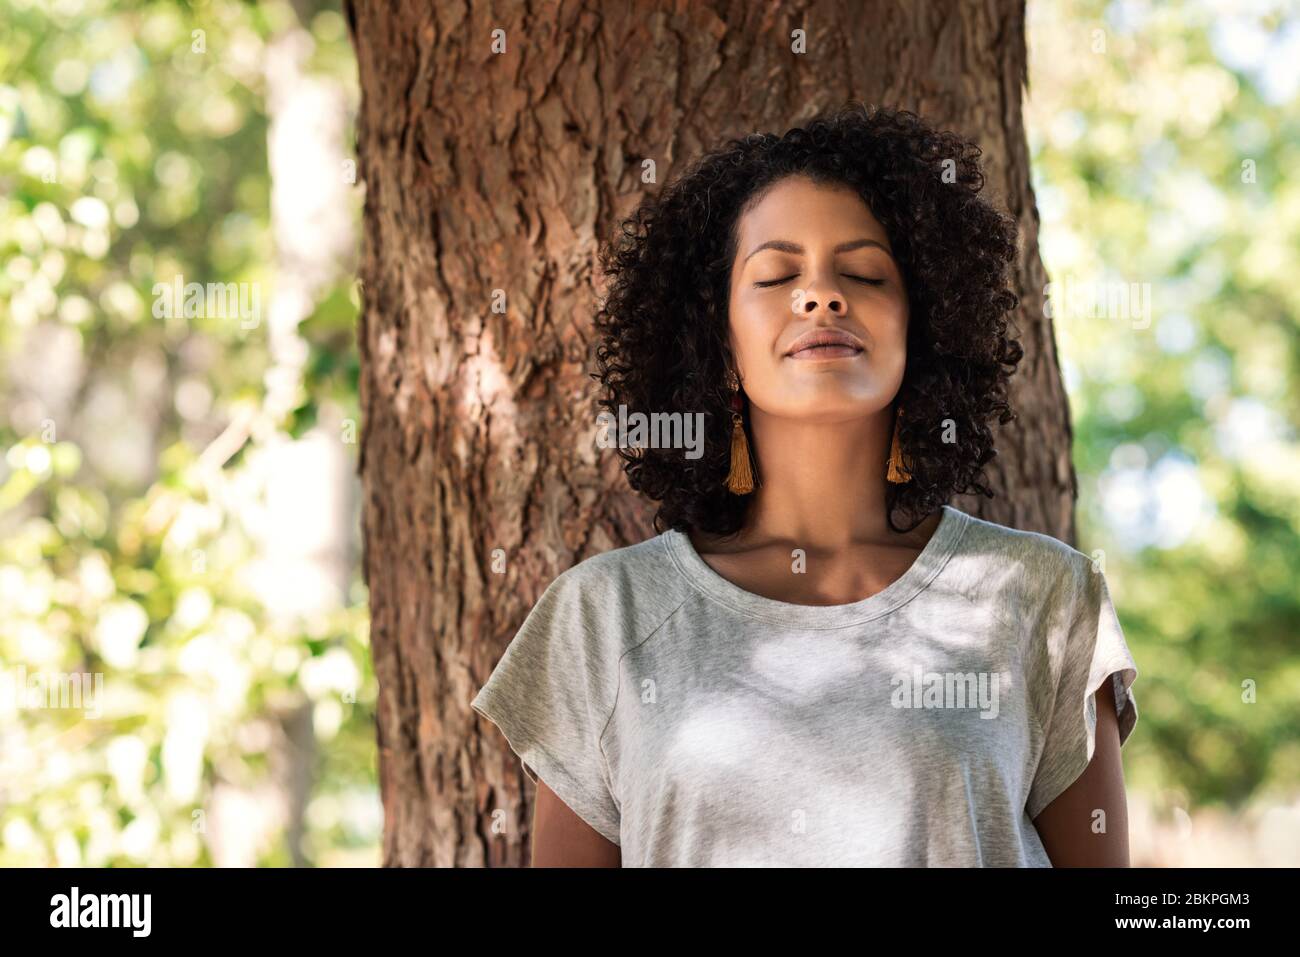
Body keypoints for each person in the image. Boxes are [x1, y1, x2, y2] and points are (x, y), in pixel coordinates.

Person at [471, 103, 1139, 867]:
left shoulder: (1043, 595)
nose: (820, 294)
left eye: (862, 272)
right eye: (777, 274)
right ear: (718, 344)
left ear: (923, 328)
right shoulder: (602, 616)